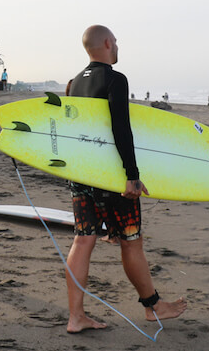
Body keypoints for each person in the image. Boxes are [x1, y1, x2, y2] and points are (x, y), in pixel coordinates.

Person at [64, 25, 186, 334]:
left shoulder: (74, 83)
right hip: (111, 177)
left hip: (82, 176)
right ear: (106, 43)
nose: (117, 47)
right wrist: (132, 175)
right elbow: (121, 127)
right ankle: (153, 306)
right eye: (115, 42)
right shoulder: (115, 79)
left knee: (83, 240)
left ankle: (76, 316)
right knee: (131, 242)